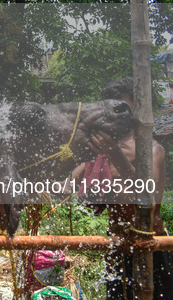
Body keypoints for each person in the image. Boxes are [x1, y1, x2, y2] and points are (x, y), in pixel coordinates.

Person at [70, 78, 172, 299]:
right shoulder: (100, 151)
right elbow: (67, 185)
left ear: (138, 110)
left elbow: (148, 201)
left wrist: (115, 153)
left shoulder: (153, 150)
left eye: (123, 108)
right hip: (118, 245)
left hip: (150, 243)